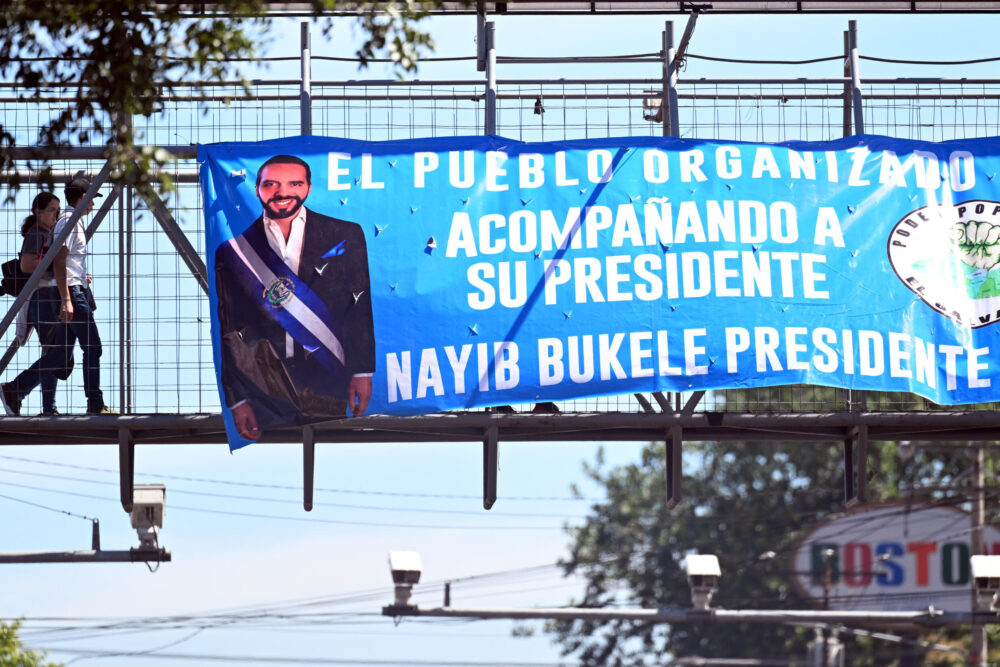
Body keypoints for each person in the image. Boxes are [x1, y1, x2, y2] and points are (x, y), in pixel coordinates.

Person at [214, 154, 375, 440]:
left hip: (329, 374)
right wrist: (237, 400)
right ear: (257, 189)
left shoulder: (345, 234)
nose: (283, 192)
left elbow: (358, 307)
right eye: (271, 184)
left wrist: (362, 371)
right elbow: (230, 328)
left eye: (294, 184)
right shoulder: (233, 252)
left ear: (308, 188)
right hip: (265, 383)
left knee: (337, 458)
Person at [2, 173, 111, 415]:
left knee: (60, 353)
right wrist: (67, 299)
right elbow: (60, 260)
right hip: (71, 294)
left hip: (70, 290)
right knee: (92, 347)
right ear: (83, 197)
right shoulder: (69, 222)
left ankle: (16, 389)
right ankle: (94, 403)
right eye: (92, 198)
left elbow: (66, 262)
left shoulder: (68, 221)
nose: (93, 204)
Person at [0, 192, 66, 415]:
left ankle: (46, 405)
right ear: (38, 212)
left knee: (52, 352)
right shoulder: (38, 233)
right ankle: (16, 390)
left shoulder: (46, 233)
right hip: (42, 297)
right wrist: (55, 262)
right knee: (56, 352)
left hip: (46, 296)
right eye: (52, 210)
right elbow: (27, 265)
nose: (56, 215)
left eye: (58, 210)